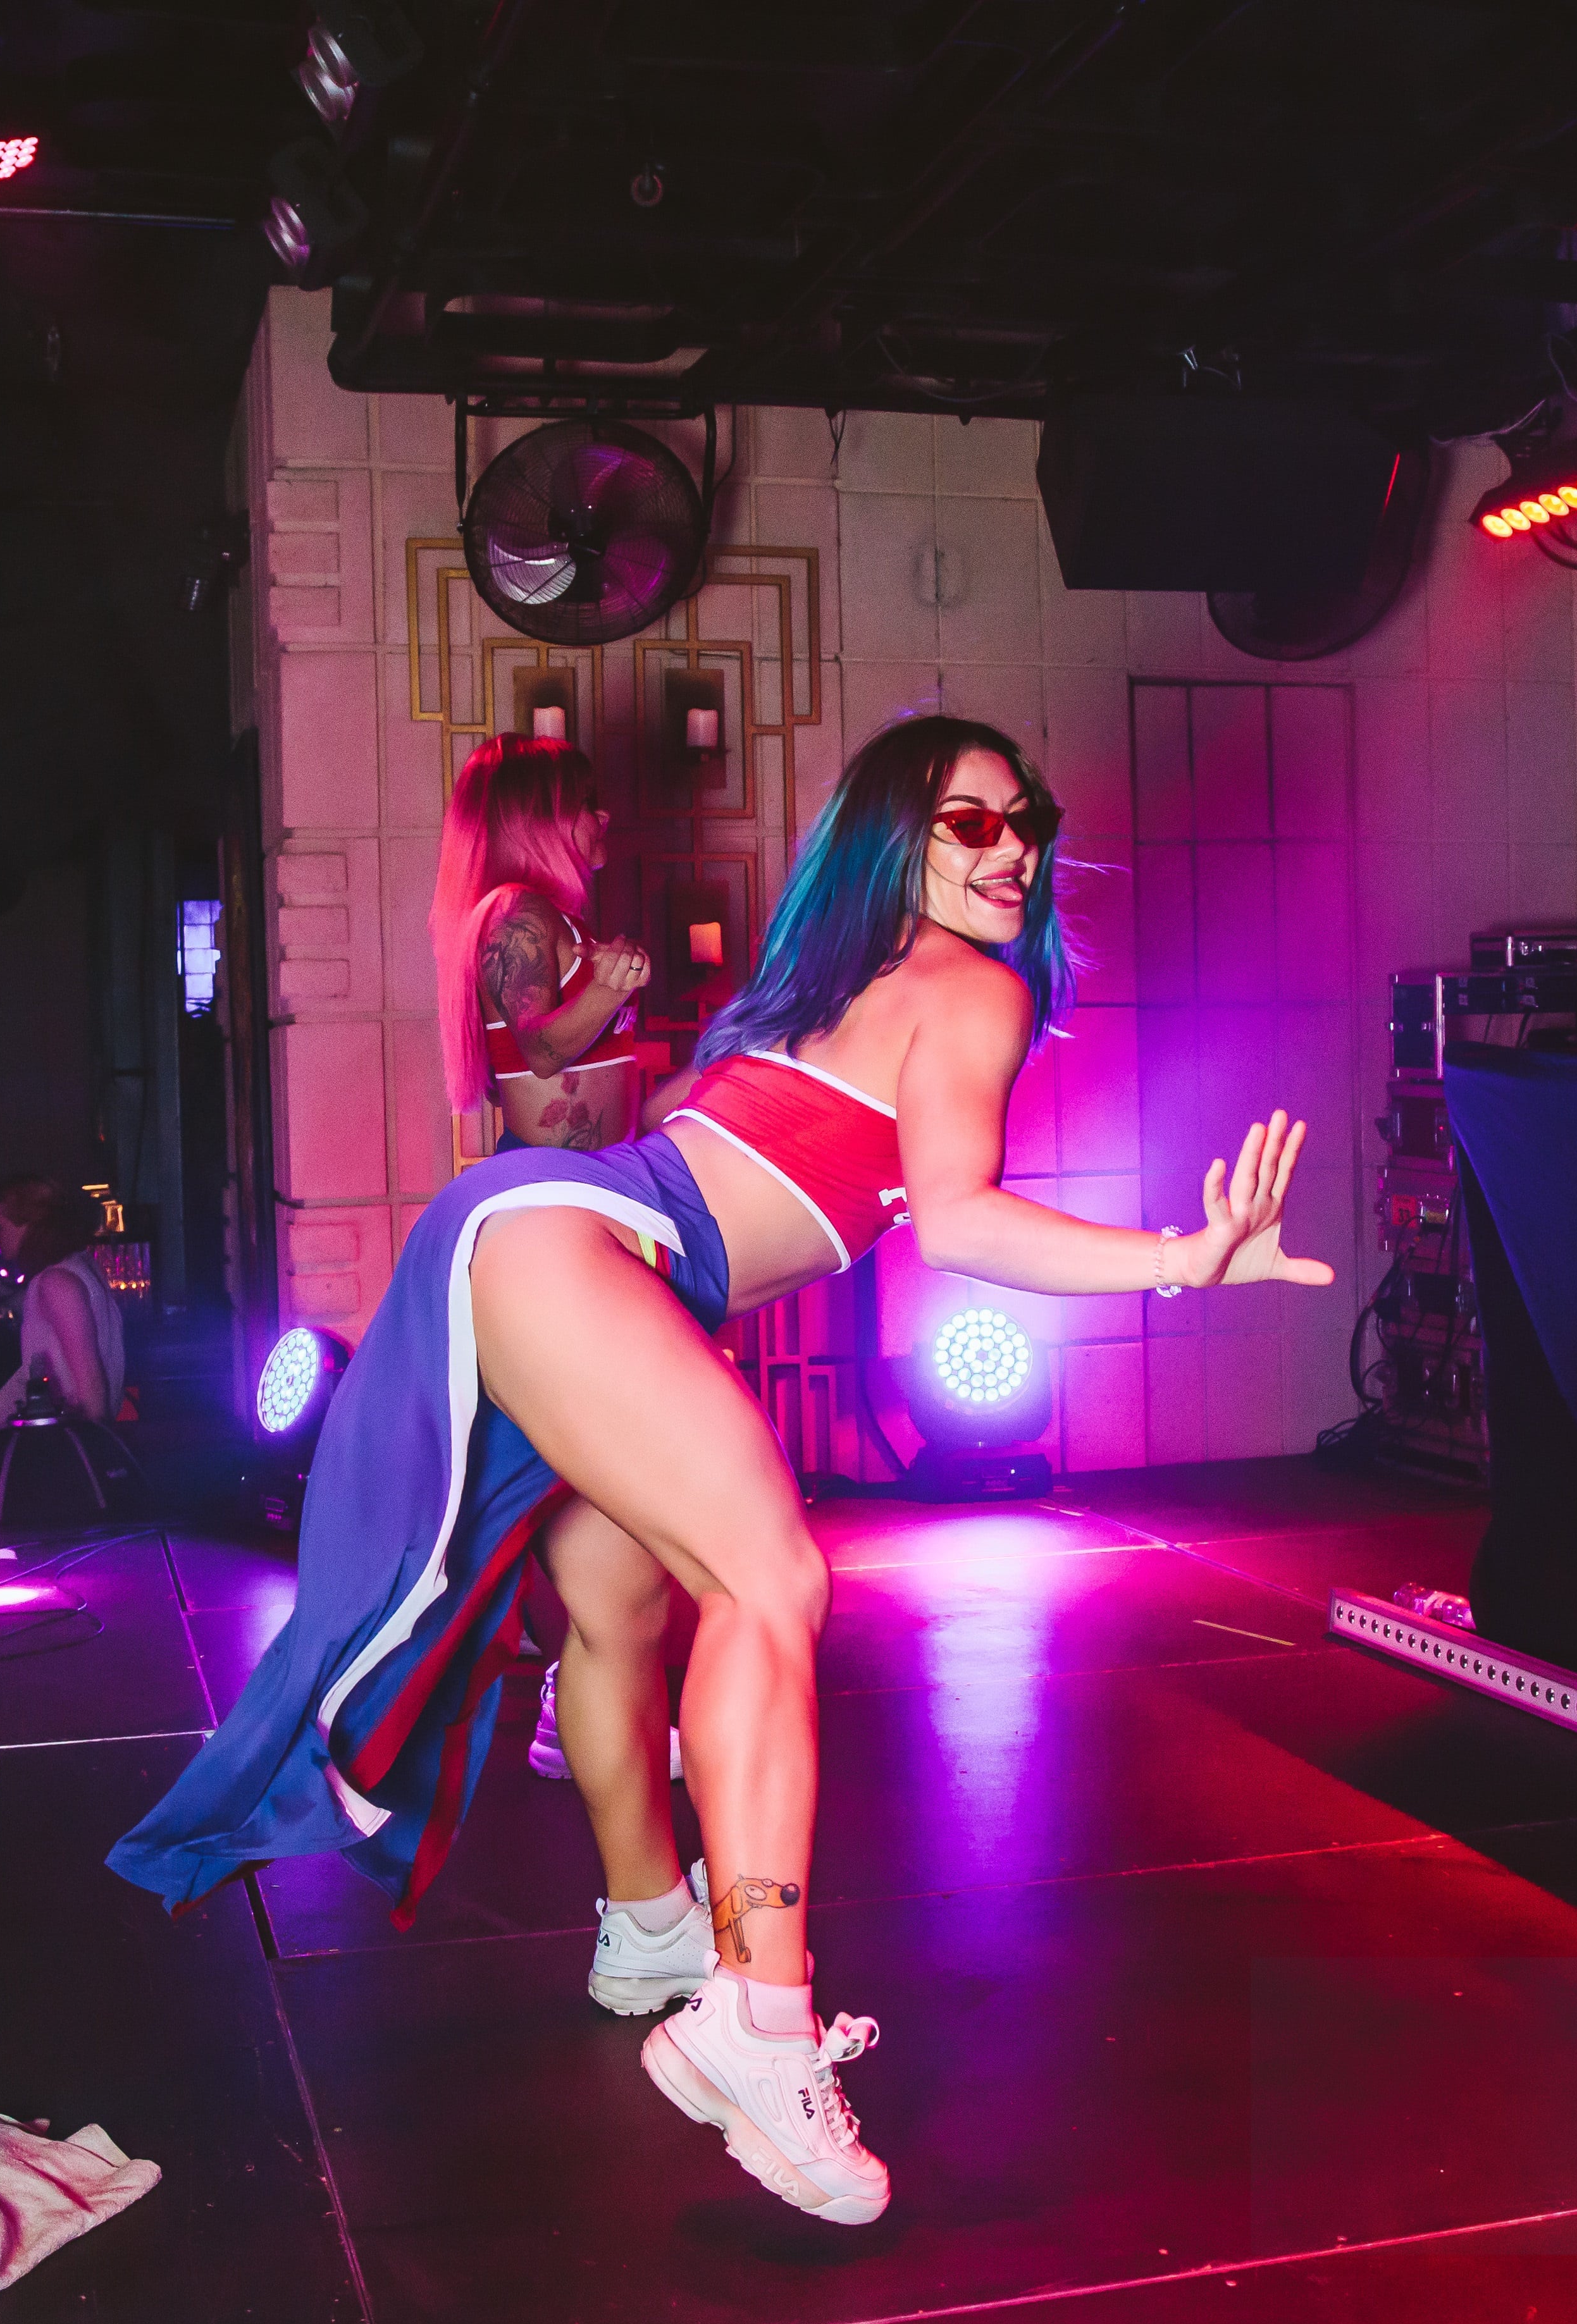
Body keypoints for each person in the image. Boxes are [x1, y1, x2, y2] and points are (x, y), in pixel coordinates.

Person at [110, 715, 1332, 2227]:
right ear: (896, 837)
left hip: (551, 1239)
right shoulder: (972, 988)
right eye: (969, 823)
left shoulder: (822, 983)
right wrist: (1180, 1258)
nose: (1012, 849)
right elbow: (956, 1219)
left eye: (1026, 819)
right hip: (587, 1247)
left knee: (620, 1614)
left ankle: (649, 1928)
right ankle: (759, 2018)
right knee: (771, 1580)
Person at [435, 733, 652, 1154]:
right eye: (586, 804)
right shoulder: (514, 912)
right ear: (539, 821)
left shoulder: (558, 920)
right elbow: (540, 1053)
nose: (603, 816)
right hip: (552, 1178)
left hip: (599, 1172)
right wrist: (609, 989)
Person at [0, 1174, 122, 1442]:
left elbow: (91, 1394)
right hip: (61, 1440)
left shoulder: (58, 1282)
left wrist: (91, 1449)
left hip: (63, 1445)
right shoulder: (75, 1269)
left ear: (29, 1226)